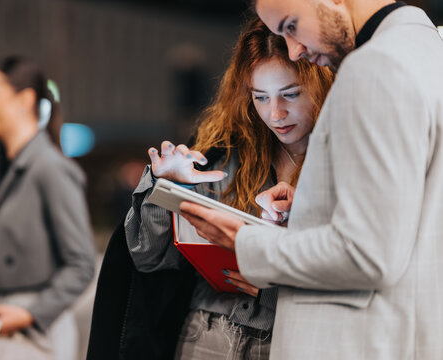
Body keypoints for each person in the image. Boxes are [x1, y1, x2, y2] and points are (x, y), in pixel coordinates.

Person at [179, 1, 443, 359]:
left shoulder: (375, 66)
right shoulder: (431, 50)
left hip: (356, 341)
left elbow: (367, 255)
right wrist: (308, 208)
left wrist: (245, 240)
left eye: (291, 25)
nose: (295, 49)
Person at [122, 17, 333, 359]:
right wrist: (165, 188)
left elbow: (358, 270)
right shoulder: (223, 154)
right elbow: (148, 258)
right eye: (260, 97)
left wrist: (278, 288)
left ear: (323, 85)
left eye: (290, 94)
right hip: (205, 336)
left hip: (288, 341)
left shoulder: (345, 163)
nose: (275, 113)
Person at [0, 56, 95, 359]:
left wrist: (31, 313)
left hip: (38, 332)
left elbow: (81, 265)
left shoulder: (50, 168)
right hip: (1, 325)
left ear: (24, 99)